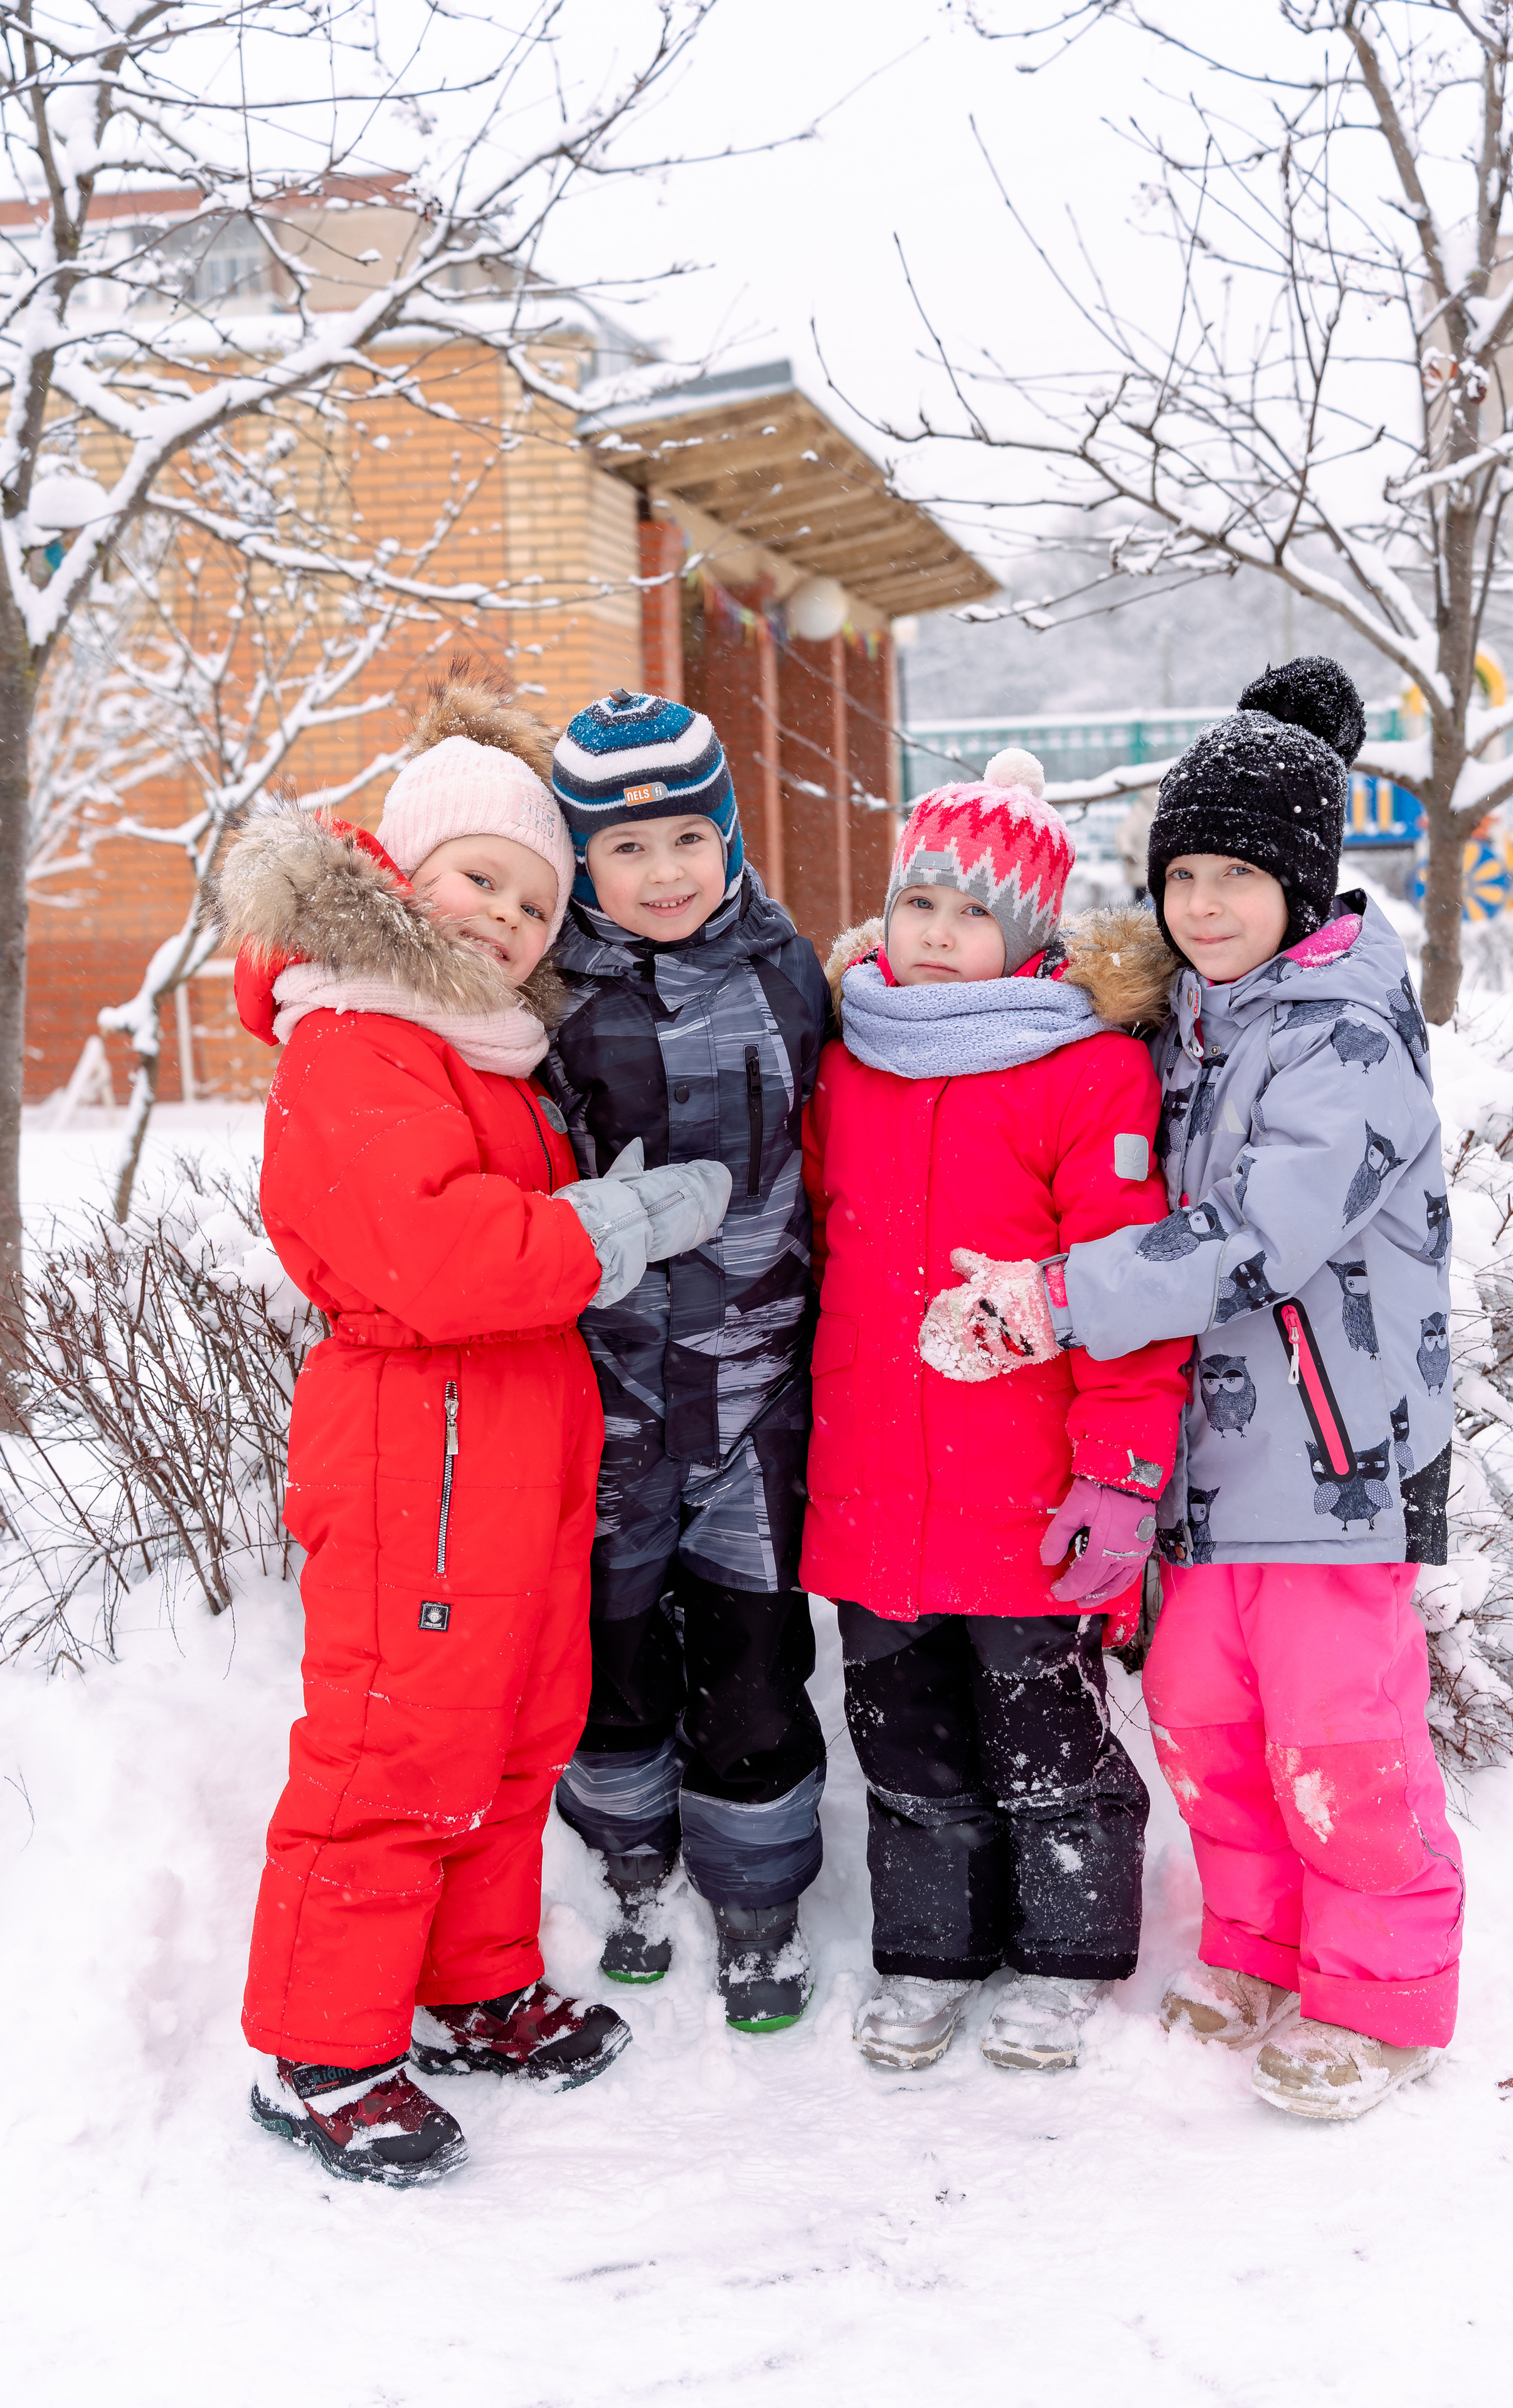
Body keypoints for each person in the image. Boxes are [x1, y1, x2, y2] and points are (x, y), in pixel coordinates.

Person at [933, 659, 1460, 2121]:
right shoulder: (1185, 1028)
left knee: (1340, 1742)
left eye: (1238, 874)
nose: (1205, 906)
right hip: (1205, 1469)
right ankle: (1256, 1943)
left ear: (1302, 883)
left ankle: (1379, 1993)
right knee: (1207, 1727)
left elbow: (1252, 1240)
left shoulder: (1345, 1040)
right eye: (1183, 875)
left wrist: (1055, 1299)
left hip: (1333, 1467)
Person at [220, 679, 730, 2184]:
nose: (509, 918)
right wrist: (607, 1226)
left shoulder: (479, 1045)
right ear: (402, 873)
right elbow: (428, 1262)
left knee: (508, 1737)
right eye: (479, 882)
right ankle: (323, 2052)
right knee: (395, 1750)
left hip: (506, 1448)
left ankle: (468, 1989)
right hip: (413, 1452)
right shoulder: (359, 1039)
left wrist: (582, 1216)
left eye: (531, 898)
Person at [800, 747, 1193, 2074]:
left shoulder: (1086, 1076)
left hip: (1023, 1489)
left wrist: (1121, 1474)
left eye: (973, 912)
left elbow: (1127, 1291)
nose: (938, 935)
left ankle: (1067, 1958)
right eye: (919, 904)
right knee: (903, 1740)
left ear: (1026, 933)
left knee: (1047, 1742)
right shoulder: (845, 1063)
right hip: (870, 1485)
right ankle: (929, 1956)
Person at [541, 689, 832, 2034]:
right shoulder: (550, 999)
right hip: (602, 1399)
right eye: (622, 850)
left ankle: (760, 1901)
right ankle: (629, 1870)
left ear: (726, 835)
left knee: (751, 1650)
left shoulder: (788, 969)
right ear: (580, 860)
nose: (660, 875)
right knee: (609, 1650)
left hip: (758, 1387)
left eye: (683, 842)